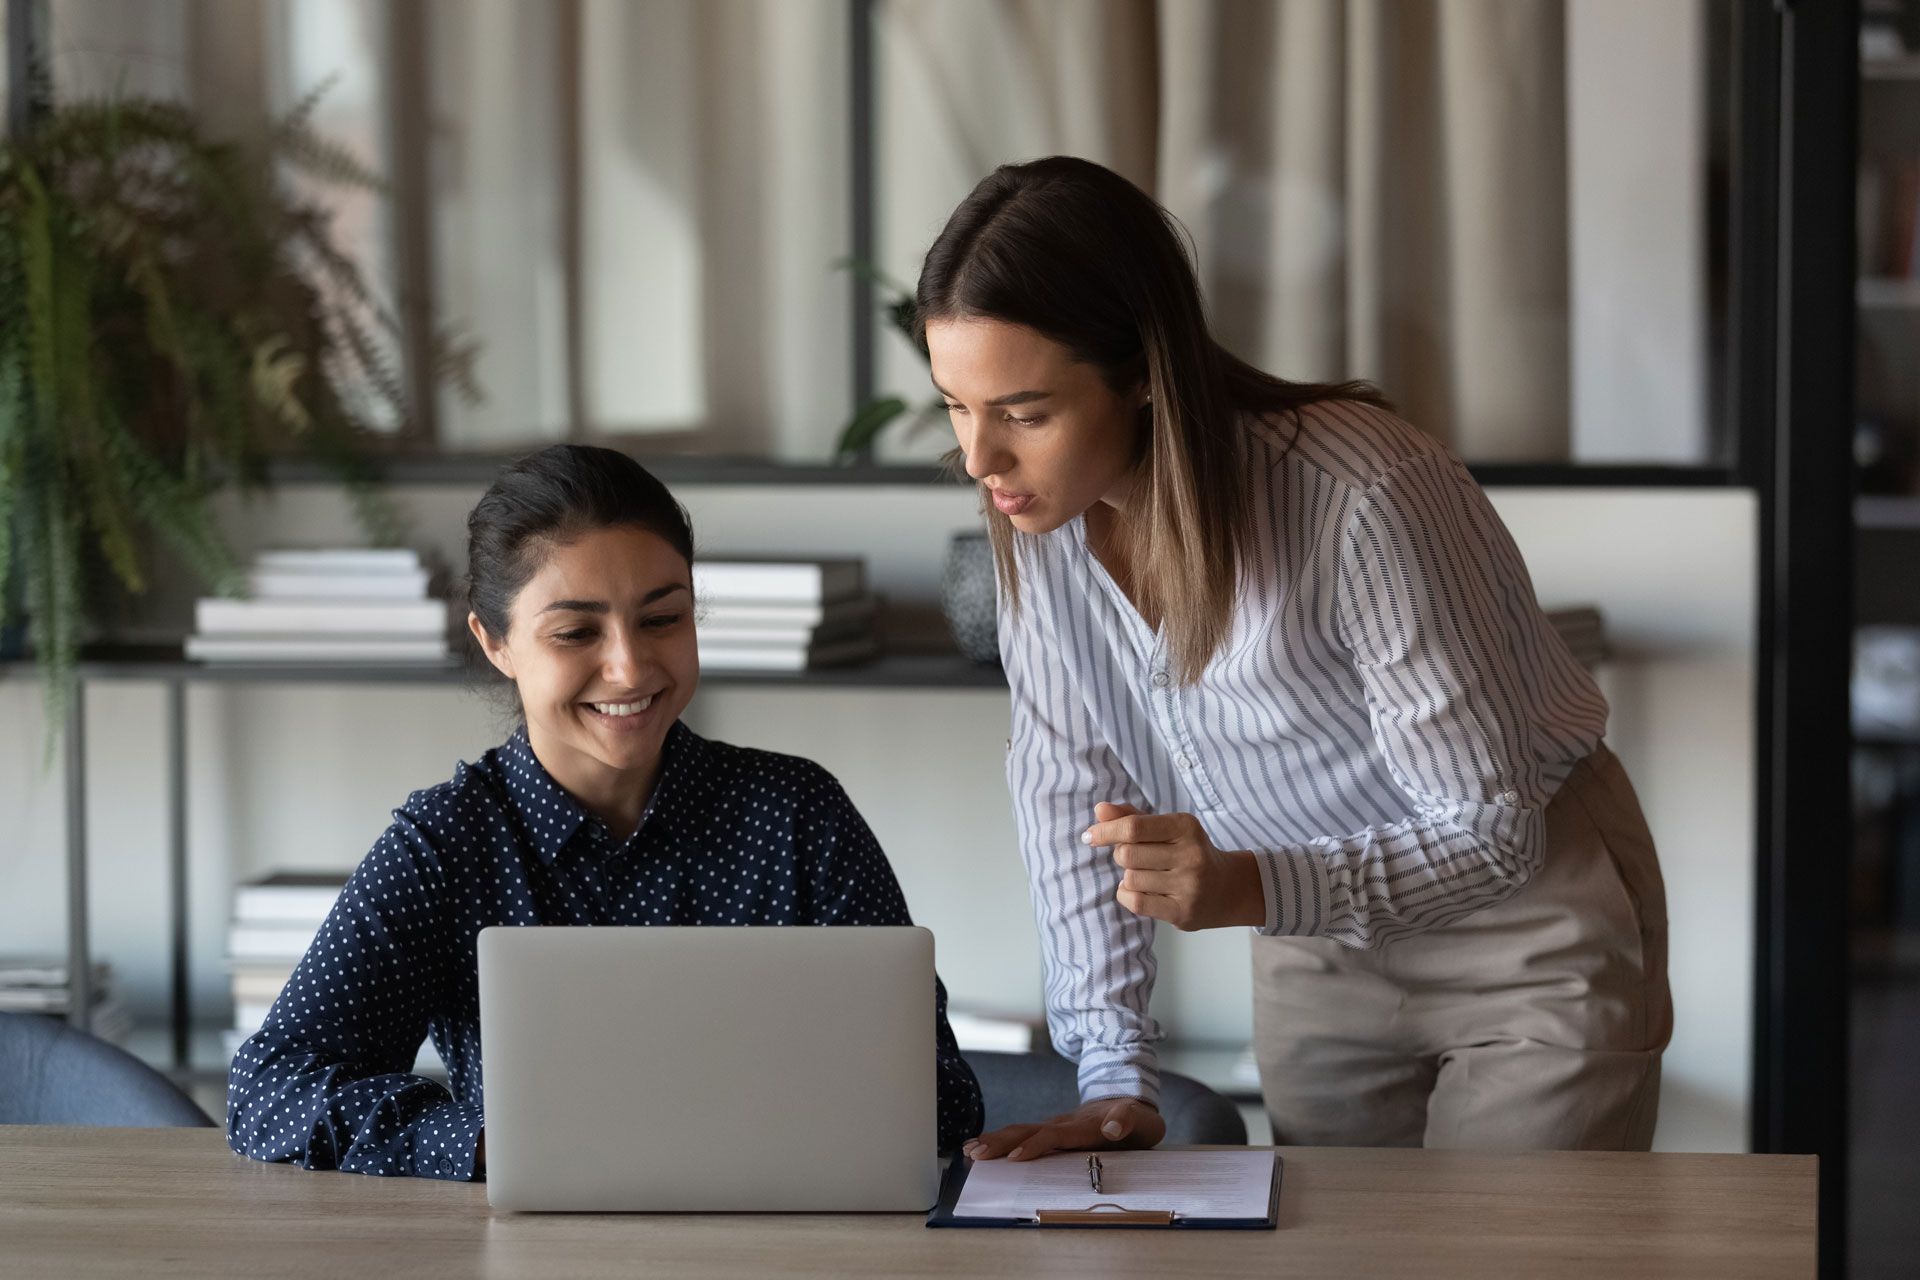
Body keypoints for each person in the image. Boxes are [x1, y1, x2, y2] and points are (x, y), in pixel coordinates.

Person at [923, 156, 1671, 1164]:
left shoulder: (1363, 491)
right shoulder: (1039, 532)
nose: (980, 460)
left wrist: (1249, 889)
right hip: (1312, 955)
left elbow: (1494, 831)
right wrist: (1112, 1076)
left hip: (1523, 925)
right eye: (956, 407)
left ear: (1144, 368)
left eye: (1024, 412)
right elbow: (1070, 801)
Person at [226, 445, 984, 1179]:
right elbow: (268, 1092)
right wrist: (494, 1140)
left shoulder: (798, 817)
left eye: (662, 619)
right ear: (495, 643)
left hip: (783, 1236)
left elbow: (943, 1100)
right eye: (576, 632)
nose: (629, 666)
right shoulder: (448, 844)